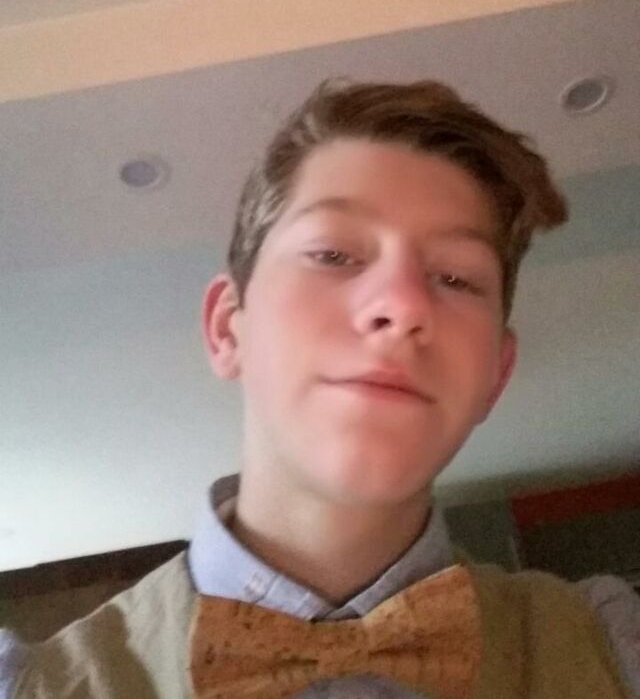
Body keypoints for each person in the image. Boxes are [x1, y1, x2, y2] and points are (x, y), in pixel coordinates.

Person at [2, 79, 639, 698]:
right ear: (228, 327)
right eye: (333, 254)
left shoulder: (614, 647)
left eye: (455, 277)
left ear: (494, 374)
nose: (401, 304)